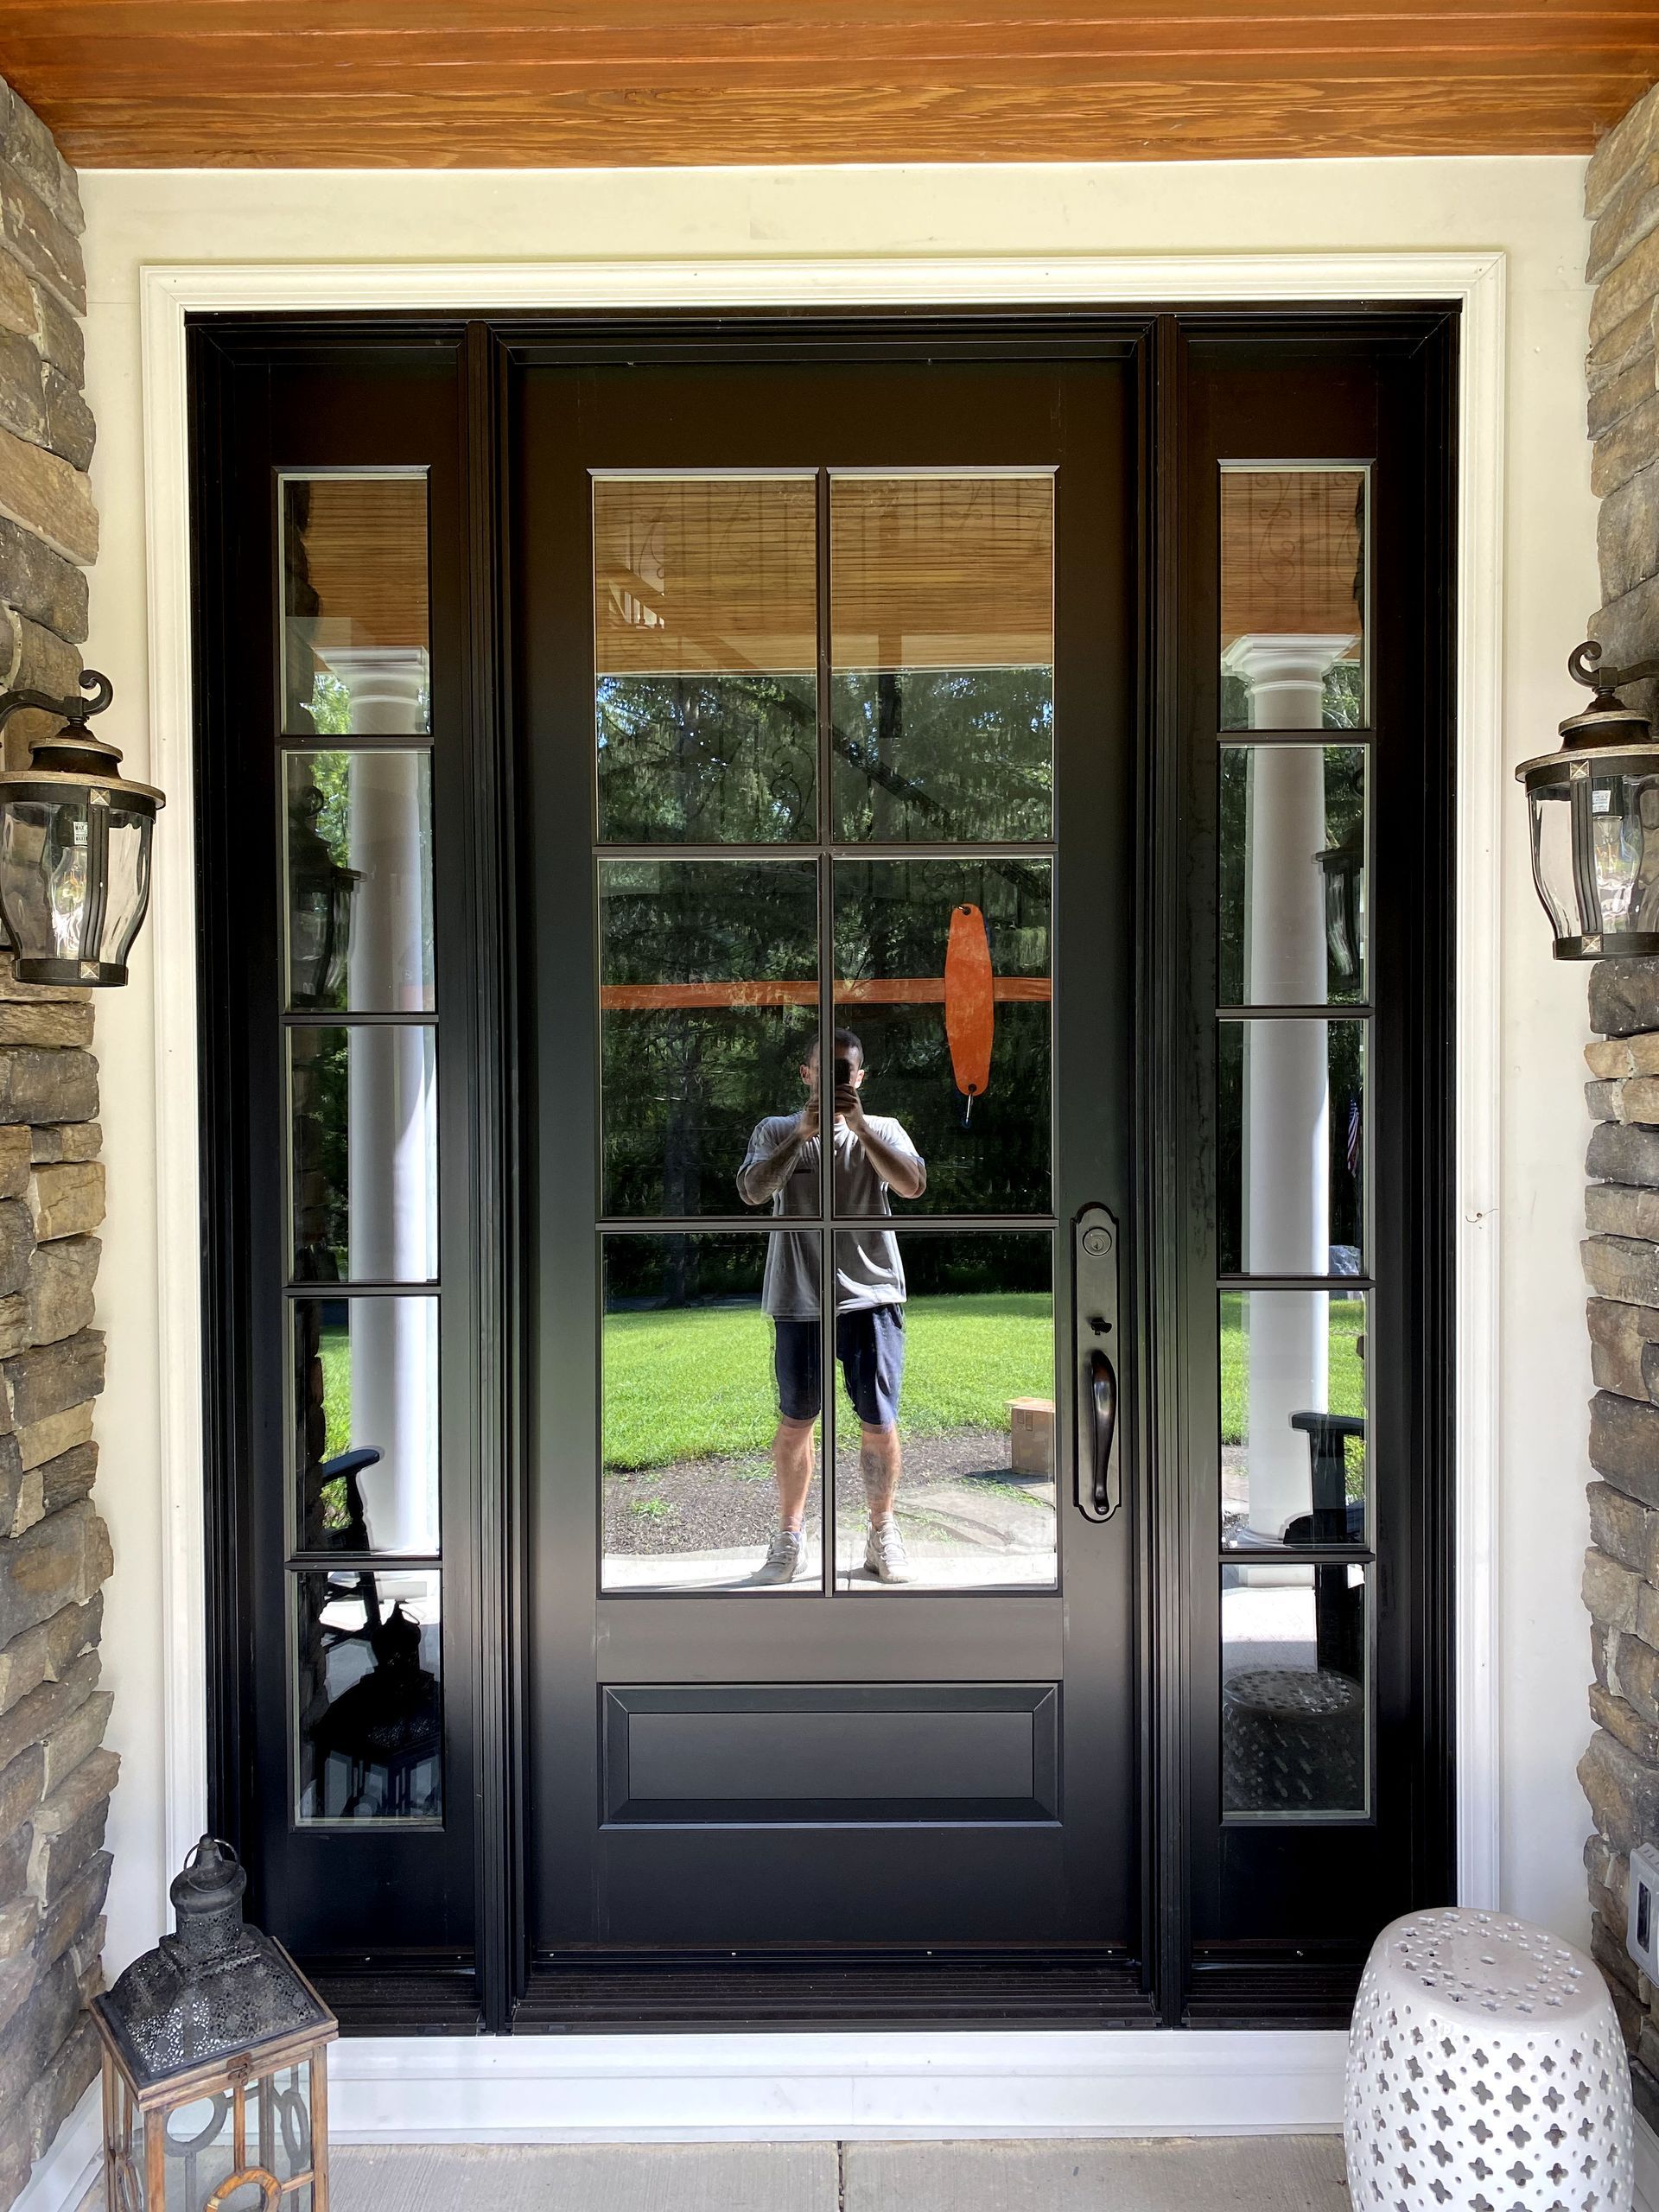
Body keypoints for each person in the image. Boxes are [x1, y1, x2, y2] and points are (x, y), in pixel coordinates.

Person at [736, 1028, 926, 1585]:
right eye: (828, 1069)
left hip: (872, 1296)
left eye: (847, 1069)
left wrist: (861, 1127)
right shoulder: (775, 1130)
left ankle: (881, 1532)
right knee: (797, 1420)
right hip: (799, 1297)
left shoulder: (883, 1129)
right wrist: (801, 1135)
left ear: (860, 1078)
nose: (837, 1077)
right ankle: (790, 1536)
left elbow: (914, 1186)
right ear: (807, 1074)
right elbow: (752, 1191)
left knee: (878, 1419)